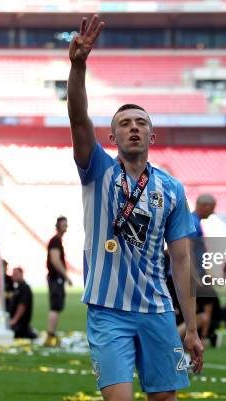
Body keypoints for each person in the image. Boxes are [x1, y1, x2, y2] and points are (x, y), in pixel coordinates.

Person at [68, 15, 203, 401]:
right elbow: (78, 119)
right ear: (112, 137)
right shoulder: (97, 170)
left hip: (159, 313)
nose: (133, 127)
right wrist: (78, 66)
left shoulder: (173, 189)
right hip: (107, 312)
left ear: (152, 135)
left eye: (140, 122)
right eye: (124, 123)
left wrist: (189, 327)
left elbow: (181, 261)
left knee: (166, 399)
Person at [188, 194, 220, 347]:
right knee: (196, 311)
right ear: (205, 206)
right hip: (191, 276)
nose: (213, 212)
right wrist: (194, 276)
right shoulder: (192, 222)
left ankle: (200, 338)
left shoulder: (195, 222)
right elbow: (188, 251)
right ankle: (198, 338)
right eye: (212, 208)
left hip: (196, 274)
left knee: (204, 306)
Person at [44, 216, 73, 347]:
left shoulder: (57, 241)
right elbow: (55, 260)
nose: (66, 227)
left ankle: (52, 334)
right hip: (56, 279)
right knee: (55, 307)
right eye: (64, 224)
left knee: (56, 306)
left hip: (56, 279)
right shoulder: (55, 241)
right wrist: (66, 276)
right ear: (58, 226)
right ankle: (50, 335)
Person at [9, 267, 35, 339]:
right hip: (17, 322)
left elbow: (22, 305)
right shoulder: (17, 288)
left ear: (21, 274)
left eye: (16, 274)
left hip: (20, 324)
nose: (13, 276)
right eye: (13, 274)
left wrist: (14, 320)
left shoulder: (25, 288)